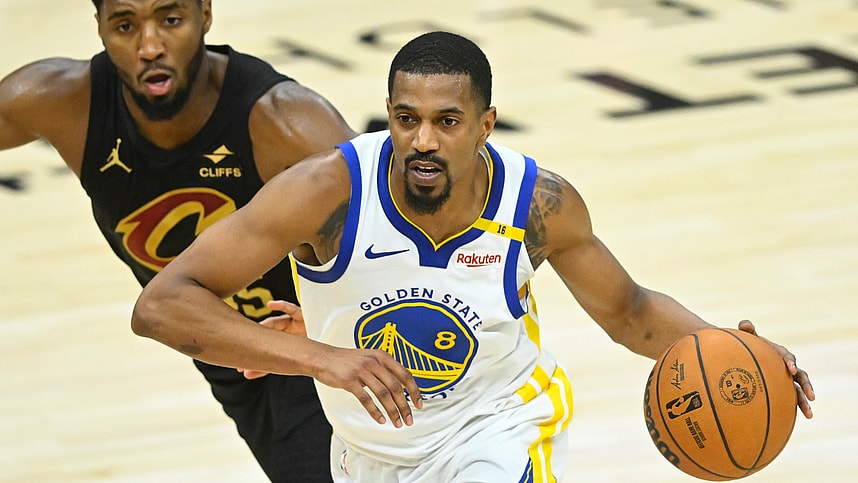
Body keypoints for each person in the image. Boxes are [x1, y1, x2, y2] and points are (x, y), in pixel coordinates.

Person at [131, 31, 815, 482]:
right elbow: (162, 304)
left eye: (447, 121)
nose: (422, 139)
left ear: (486, 125)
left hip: (496, 431)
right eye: (406, 118)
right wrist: (323, 355)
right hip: (367, 455)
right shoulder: (326, 193)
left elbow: (629, 311)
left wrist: (725, 343)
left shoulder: (538, 205)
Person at [0, 1, 357, 481]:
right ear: (100, 28)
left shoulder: (285, 121)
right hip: (224, 354)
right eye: (125, 26)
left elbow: (397, 229)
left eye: (171, 21)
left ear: (205, 15)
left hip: (316, 345)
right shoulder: (60, 101)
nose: (150, 46)